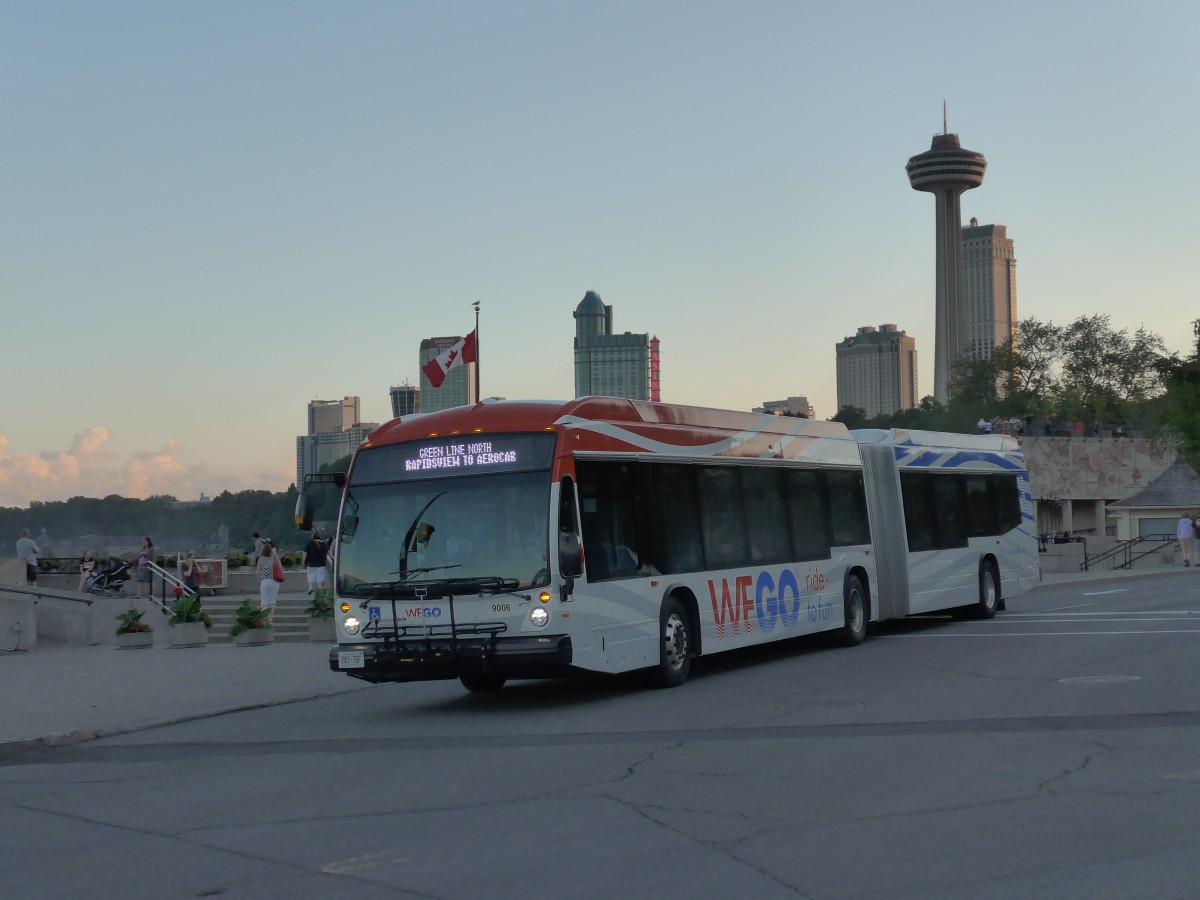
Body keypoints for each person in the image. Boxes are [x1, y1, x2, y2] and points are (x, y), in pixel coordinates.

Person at [257, 541, 280, 625]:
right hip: (274, 581)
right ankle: (270, 621)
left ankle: (260, 619)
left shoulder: (260, 559)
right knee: (272, 602)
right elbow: (280, 569)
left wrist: (261, 578)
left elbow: (258, 571)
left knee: (264, 603)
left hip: (264, 581)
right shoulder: (275, 558)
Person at [303, 529, 328, 595]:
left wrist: (303, 561)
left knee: (310, 576)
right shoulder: (323, 543)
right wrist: (333, 558)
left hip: (311, 563)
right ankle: (320, 589)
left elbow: (305, 553)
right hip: (321, 564)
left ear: (313, 536)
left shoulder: (309, 543)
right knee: (320, 577)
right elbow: (328, 551)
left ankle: (311, 587)